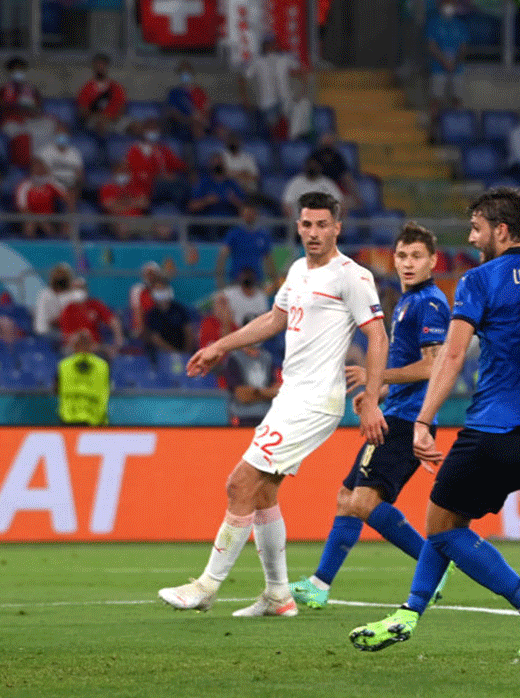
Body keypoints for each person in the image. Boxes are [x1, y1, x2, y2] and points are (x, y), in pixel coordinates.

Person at [348, 186, 520, 656]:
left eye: (477, 228)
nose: (473, 237)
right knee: (446, 517)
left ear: (501, 230)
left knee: (441, 527)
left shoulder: (481, 280)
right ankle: (409, 615)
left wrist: (423, 419)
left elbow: (452, 354)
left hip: (490, 431)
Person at [158, 191, 389, 617]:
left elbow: (377, 335)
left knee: (238, 484)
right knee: (263, 493)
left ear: (337, 227)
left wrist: (371, 399)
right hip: (291, 395)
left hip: (315, 400)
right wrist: (219, 347)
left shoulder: (351, 276)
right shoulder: (298, 269)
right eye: (307, 224)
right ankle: (279, 596)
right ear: (298, 226)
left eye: (323, 224)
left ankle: (206, 586)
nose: (314, 232)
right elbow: (272, 319)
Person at [289, 222, 453, 610]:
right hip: (395, 411)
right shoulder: (407, 302)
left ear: (433, 261)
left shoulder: (430, 303)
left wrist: (375, 377)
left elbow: (433, 367)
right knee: (347, 497)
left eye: (416, 256)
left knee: (361, 501)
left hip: (408, 419)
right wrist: (375, 392)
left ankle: (435, 563)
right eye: (401, 256)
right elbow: (407, 365)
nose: (407, 264)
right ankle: (319, 584)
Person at [239, 35, 304, 139]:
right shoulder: (257, 61)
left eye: (271, 44)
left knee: (290, 132)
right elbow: (242, 78)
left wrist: (300, 93)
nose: (270, 47)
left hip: (286, 101)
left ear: (276, 45)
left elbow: (300, 71)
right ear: (263, 46)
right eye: (267, 44)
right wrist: (245, 99)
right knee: (271, 133)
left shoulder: (285, 58)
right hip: (267, 103)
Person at [0, 56, 53, 167]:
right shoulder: (4, 89)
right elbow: (0, 108)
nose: (19, 72)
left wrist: (31, 111)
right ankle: (30, 164)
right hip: (11, 121)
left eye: (21, 69)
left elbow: (38, 108)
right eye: (16, 70)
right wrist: (18, 107)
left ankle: (44, 163)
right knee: (28, 134)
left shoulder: (31, 89)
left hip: (30, 120)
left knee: (48, 126)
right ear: (10, 72)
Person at [425, 0, 468, 138]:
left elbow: (463, 48)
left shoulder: (461, 25)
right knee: (435, 99)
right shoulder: (433, 23)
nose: (449, 8)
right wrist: (444, 61)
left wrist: (454, 63)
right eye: (446, 4)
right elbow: (431, 46)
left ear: (455, 7)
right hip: (438, 68)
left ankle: (456, 130)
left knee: (458, 98)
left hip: (457, 69)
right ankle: (433, 130)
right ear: (441, 6)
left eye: (452, 4)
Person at [125, 118, 188, 204]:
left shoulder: (162, 148)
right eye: (150, 129)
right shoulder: (135, 149)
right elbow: (138, 172)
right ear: (144, 131)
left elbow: (177, 164)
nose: (153, 131)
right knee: (177, 186)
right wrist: (160, 177)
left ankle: (184, 209)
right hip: (147, 184)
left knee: (183, 182)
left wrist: (187, 168)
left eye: (155, 129)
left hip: (165, 184)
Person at [58, 278, 124, 359]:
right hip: (74, 348)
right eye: (76, 288)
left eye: (81, 288)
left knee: (107, 354)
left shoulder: (95, 304)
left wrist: (118, 339)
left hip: (95, 347)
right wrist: (85, 345)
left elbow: (113, 321)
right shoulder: (67, 309)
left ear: (86, 289)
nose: (78, 291)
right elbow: (67, 336)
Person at [56, 329, 110, 425]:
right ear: (92, 345)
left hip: (69, 421)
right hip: (96, 422)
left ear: (74, 346)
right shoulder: (103, 365)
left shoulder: (63, 365)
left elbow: (56, 389)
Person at [216, 203, 276, 289]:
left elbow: (268, 260)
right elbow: (222, 257)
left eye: (252, 213)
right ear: (242, 214)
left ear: (256, 214)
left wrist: (274, 280)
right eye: (247, 213)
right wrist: (220, 282)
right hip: (237, 281)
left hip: (256, 281)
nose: (249, 216)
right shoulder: (234, 234)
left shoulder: (263, 235)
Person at [222, 343, 279, 426]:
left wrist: (255, 392)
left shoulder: (267, 357)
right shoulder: (234, 358)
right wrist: (267, 393)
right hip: (242, 417)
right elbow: (242, 396)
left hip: (267, 417)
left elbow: (276, 391)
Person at [16, 157, 73, 238]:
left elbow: (68, 198)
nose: (39, 170)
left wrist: (68, 217)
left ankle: (55, 243)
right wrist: (37, 218)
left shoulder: (51, 183)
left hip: (50, 218)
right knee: (30, 224)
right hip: (31, 217)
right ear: (31, 170)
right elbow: (22, 207)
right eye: (36, 168)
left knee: (51, 225)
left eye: (41, 167)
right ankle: (29, 246)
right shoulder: (24, 186)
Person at [77, 53, 128, 136]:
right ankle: (104, 148)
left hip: (115, 119)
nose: (100, 67)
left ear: (107, 66)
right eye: (98, 65)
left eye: (103, 65)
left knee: (135, 126)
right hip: (95, 120)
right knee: (101, 125)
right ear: (94, 67)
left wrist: (108, 117)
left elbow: (122, 108)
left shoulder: (116, 87)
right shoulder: (87, 88)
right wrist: (99, 117)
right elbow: (83, 111)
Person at [143, 279, 196, 355]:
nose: (161, 292)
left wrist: (187, 351)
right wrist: (174, 353)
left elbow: (188, 331)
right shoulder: (152, 314)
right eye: (158, 290)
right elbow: (155, 339)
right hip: (163, 355)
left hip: (184, 351)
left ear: (169, 291)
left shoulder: (179, 309)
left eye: (163, 289)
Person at [100, 162, 151, 240]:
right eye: (121, 171)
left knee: (163, 229)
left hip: (138, 219)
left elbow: (144, 204)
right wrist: (134, 203)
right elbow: (111, 207)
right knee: (123, 228)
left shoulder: (135, 186)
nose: (124, 174)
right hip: (117, 221)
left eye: (126, 171)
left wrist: (120, 204)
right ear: (115, 172)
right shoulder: (107, 187)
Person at [35, 263, 84, 340]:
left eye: (63, 275)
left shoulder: (76, 294)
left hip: (72, 332)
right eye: (58, 275)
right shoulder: (45, 294)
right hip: (48, 333)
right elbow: (45, 324)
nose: (60, 278)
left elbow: (79, 318)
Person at [310, 131, 360, 207]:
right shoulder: (314, 157)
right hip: (318, 188)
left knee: (349, 202)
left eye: (330, 140)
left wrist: (355, 195)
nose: (328, 141)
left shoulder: (337, 157)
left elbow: (346, 177)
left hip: (335, 188)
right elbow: (310, 178)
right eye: (325, 140)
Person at [165, 60, 211, 142]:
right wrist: (189, 121)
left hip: (200, 124)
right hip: (182, 125)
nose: (185, 74)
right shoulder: (174, 92)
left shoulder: (199, 91)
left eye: (187, 71)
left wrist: (201, 120)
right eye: (183, 72)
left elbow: (206, 109)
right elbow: (173, 113)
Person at [38, 122, 85, 194]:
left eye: (63, 134)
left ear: (68, 135)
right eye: (58, 134)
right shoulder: (45, 152)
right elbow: (42, 176)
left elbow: (79, 175)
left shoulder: (74, 152)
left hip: (70, 189)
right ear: (54, 135)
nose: (61, 136)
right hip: (51, 190)